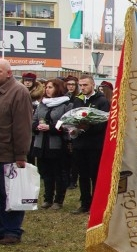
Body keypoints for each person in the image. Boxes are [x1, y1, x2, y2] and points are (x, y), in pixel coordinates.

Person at [1, 59, 34, 244]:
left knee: (11, 193)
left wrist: (21, 154)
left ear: (9, 73)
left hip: (9, 153)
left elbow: (22, 126)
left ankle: (12, 231)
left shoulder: (19, 92)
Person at [31, 78, 74, 210]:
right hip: (41, 143)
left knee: (59, 172)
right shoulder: (42, 104)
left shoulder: (67, 104)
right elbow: (33, 120)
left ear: (58, 88)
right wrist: (37, 126)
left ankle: (58, 200)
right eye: (46, 87)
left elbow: (67, 124)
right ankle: (47, 199)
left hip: (57, 144)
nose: (47, 89)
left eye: (50, 87)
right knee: (46, 172)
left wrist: (50, 127)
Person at [71, 75, 110, 214]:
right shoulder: (78, 100)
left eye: (85, 85)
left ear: (93, 85)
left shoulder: (102, 101)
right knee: (83, 175)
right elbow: (73, 117)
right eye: (80, 85)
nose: (83, 88)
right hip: (79, 144)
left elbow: (103, 123)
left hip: (95, 145)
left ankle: (96, 203)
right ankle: (85, 203)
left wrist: (85, 127)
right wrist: (72, 128)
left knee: (94, 175)